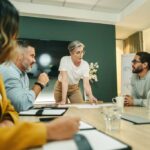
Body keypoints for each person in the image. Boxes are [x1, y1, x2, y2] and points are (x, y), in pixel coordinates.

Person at [0, 0, 80, 149]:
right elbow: (21, 105)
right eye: (11, 35)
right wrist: (49, 130)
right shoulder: (7, 70)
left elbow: (8, 108)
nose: (13, 45)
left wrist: (7, 120)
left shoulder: (21, 74)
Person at [0, 40, 49, 112]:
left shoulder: (24, 74)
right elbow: (22, 105)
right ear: (19, 56)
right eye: (32, 56)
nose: (34, 60)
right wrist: (40, 84)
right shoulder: (8, 71)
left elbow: (25, 103)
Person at [54, 40, 97, 104]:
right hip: (60, 89)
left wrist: (91, 96)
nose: (81, 55)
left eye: (82, 52)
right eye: (78, 52)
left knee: (80, 108)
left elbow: (86, 84)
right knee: (63, 109)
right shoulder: (64, 60)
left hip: (74, 89)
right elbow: (65, 80)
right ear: (71, 53)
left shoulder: (85, 64)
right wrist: (63, 100)